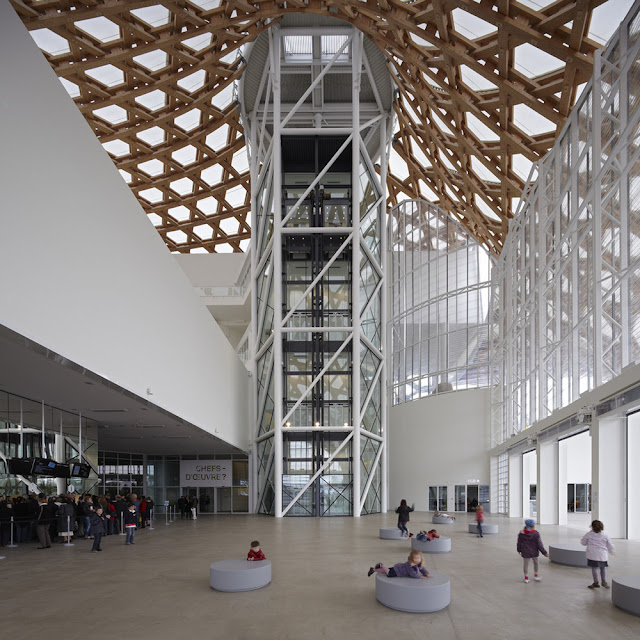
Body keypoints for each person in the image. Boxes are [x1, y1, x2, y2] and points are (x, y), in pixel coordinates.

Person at [581, 519, 615, 589]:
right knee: (603, 568)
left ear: (592, 527)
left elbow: (583, 542)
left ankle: (596, 583)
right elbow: (610, 545)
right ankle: (604, 582)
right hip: (602, 555)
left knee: (594, 568)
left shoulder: (588, 534)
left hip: (592, 555)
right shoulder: (605, 535)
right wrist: (612, 551)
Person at [517, 519, 548, 583]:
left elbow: (519, 543)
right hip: (534, 551)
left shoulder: (521, 533)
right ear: (532, 526)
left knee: (526, 564)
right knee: (536, 563)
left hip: (525, 551)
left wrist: (519, 550)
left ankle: (526, 577)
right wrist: (544, 552)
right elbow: (539, 544)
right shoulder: (536, 534)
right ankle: (536, 575)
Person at [368, 550, 432, 579]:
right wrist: (419, 576)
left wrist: (426, 573)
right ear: (412, 558)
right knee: (389, 574)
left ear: (421, 558)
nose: (416, 559)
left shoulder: (418, 564)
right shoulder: (410, 564)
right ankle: (381, 565)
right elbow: (412, 573)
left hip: (398, 568)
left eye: (418, 558)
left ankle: (373, 570)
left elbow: (422, 569)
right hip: (398, 571)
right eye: (415, 558)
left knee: (384, 570)